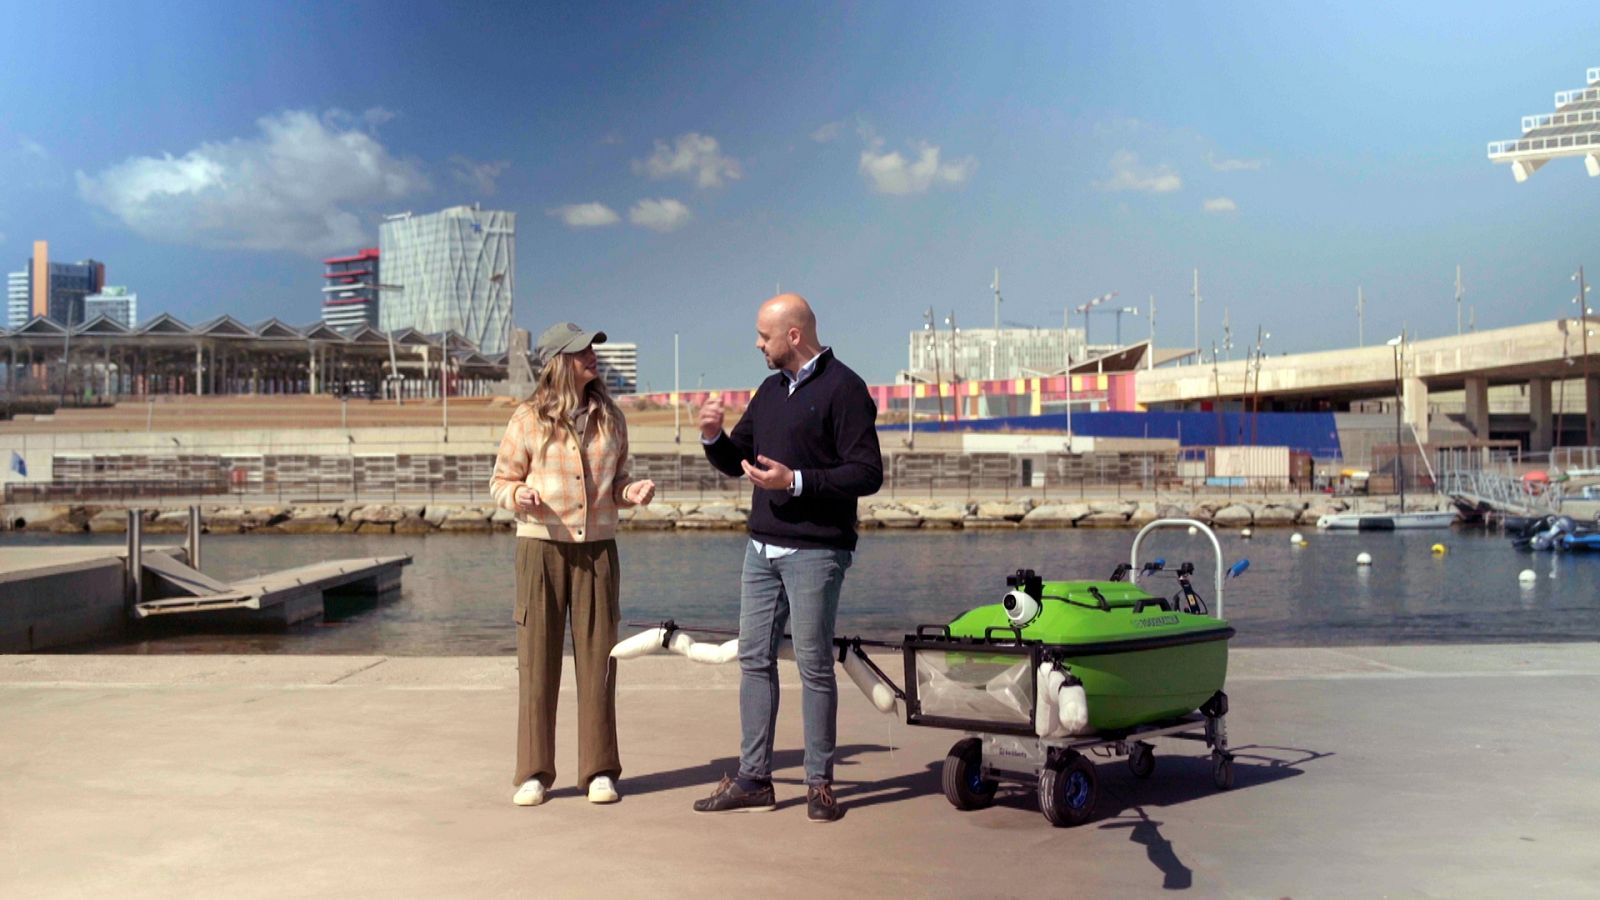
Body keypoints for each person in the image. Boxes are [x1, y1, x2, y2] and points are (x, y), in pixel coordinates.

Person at [691, 293, 883, 823]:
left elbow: (868, 473)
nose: (757, 344)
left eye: (763, 335)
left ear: (793, 335)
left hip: (817, 552)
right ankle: (754, 779)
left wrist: (795, 482)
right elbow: (740, 462)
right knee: (754, 660)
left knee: (814, 667)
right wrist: (713, 438)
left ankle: (820, 784)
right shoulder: (770, 391)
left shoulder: (846, 389)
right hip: (761, 549)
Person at [491, 322, 656, 808]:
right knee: (537, 665)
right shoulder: (526, 419)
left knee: (601, 663)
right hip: (540, 549)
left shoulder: (612, 416)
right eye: (583, 350)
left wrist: (632, 491)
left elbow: (618, 482)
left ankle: (600, 770)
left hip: (598, 552)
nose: (593, 356)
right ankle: (534, 773)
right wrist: (517, 494)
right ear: (559, 361)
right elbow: (501, 481)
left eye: (593, 349)